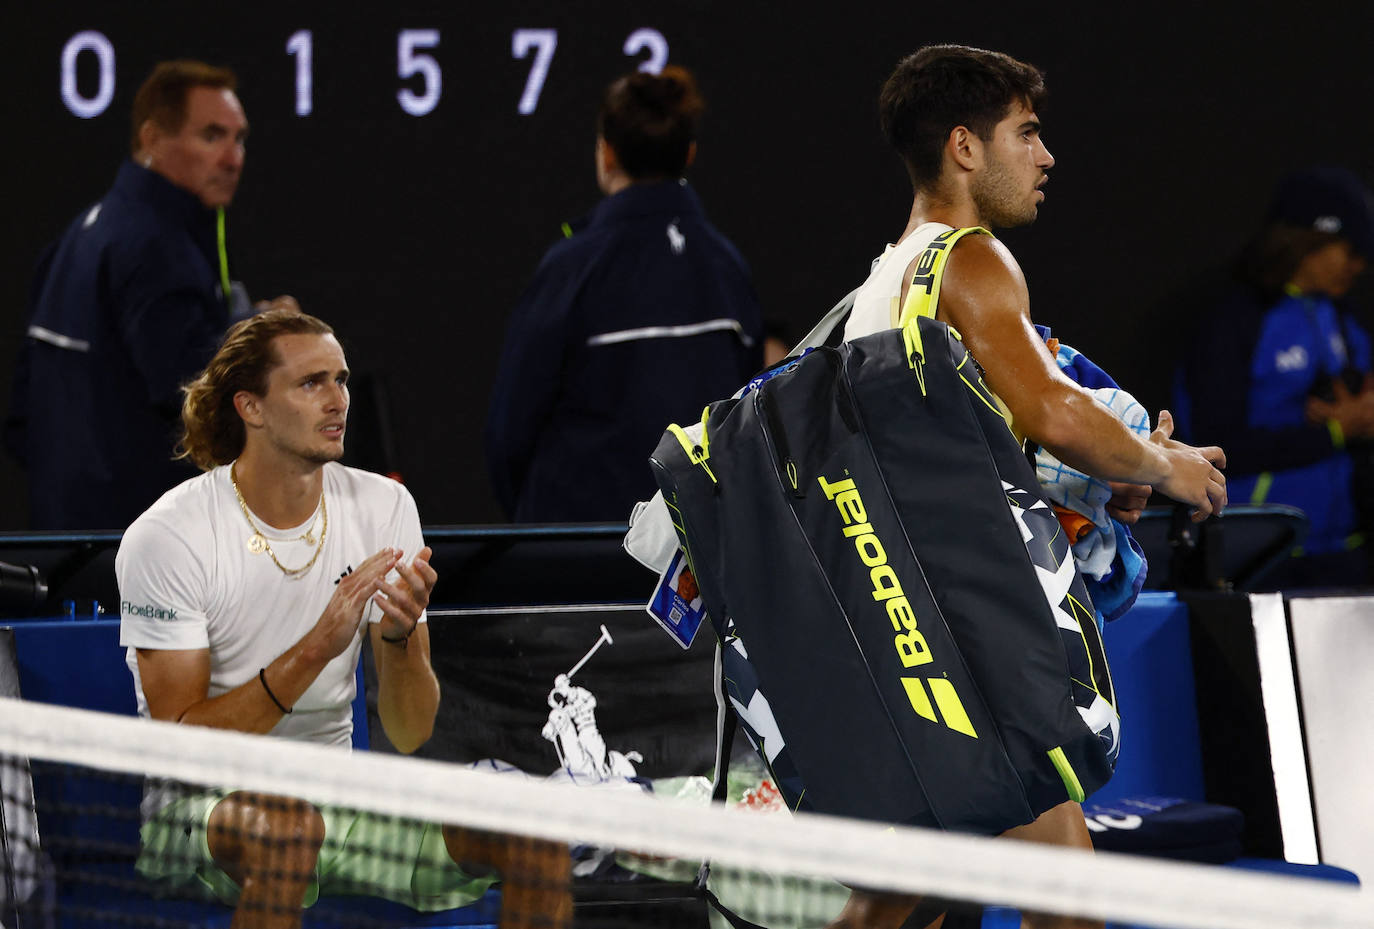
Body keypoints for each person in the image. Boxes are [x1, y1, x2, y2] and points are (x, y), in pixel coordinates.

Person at [833, 45, 1228, 929]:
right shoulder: (972, 259)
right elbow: (1049, 409)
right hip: (969, 645)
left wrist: (1101, 484)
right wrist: (1169, 468)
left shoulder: (886, 278)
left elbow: (976, 452)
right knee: (1065, 905)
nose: (1045, 156)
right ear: (966, 148)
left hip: (910, 635)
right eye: (1028, 132)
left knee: (899, 902)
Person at [116, 309, 570, 929]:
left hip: (337, 795)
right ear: (250, 408)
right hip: (201, 808)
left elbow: (410, 732)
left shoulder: (384, 505)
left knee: (534, 827)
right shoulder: (170, 536)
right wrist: (316, 647)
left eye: (342, 380)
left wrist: (400, 636)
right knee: (287, 831)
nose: (338, 401)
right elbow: (181, 751)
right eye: (311, 384)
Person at [4, 59, 293, 530]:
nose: (232, 157)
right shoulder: (154, 248)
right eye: (211, 135)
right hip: (137, 543)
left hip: (70, 534)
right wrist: (271, 345)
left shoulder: (86, 231)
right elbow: (191, 391)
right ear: (153, 139)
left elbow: (22, 416)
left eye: (239, 139)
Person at [486, 65, 763, 523]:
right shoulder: (726, 264)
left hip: (584, 554)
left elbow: (507, 434)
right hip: (701, 554)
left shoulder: (572, 267)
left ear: (607, 154)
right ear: (689, 154)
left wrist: (540, 534)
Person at [1174, 166, 1374, 588]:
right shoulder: (1235, 319)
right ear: (1309, 241)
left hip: (1344, 550)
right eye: (1349, 248)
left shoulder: (1342, 317)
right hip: (1258, 553)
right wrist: (1335, 432)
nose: (1359, 265)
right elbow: (1211, 445)